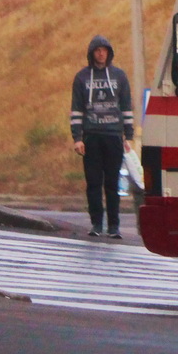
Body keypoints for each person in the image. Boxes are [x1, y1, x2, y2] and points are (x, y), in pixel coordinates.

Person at [70, 35, 135, 239]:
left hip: (113, 135)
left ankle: (114, 225)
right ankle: (96, 223)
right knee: (94, 182)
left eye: (104, 50)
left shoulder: (119, 76)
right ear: (91, 53)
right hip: (91, 137)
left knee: (112, 182)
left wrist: (129, 135)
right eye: (97, 50)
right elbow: (77, 109)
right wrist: (77, 137)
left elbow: (126, 106)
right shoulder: (81, 78)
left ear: (109, 52)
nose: (101, 53)